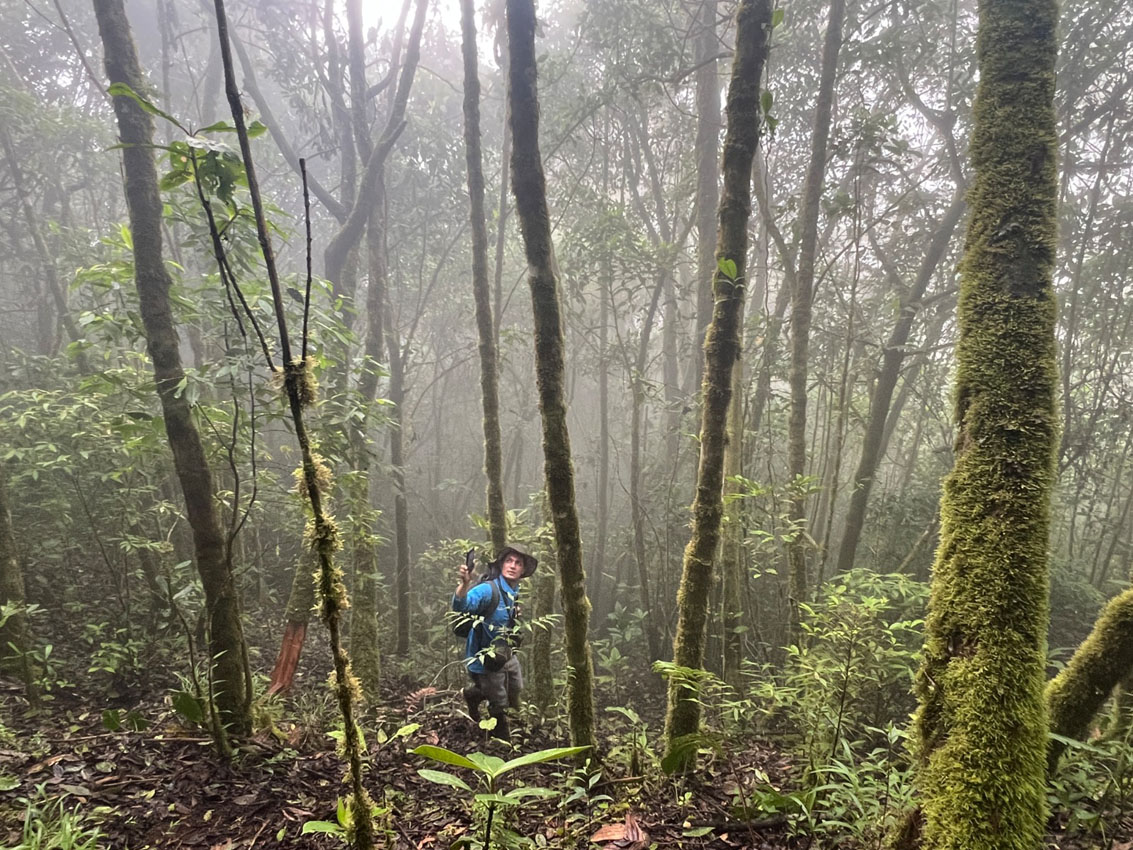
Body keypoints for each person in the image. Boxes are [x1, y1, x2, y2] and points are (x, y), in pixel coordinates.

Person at [453, 544, 537, 740]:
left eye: (518, 563)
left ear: (523, 570)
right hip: (484, 660)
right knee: (498, 701)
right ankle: (501, 741)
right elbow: (463, 605)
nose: (513, 566)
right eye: (509, 561)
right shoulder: (488, 590)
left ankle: (474, 694)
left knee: (516, 689)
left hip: (506, 655)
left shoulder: (515, 592)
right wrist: (464, 584)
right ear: (501, 565)